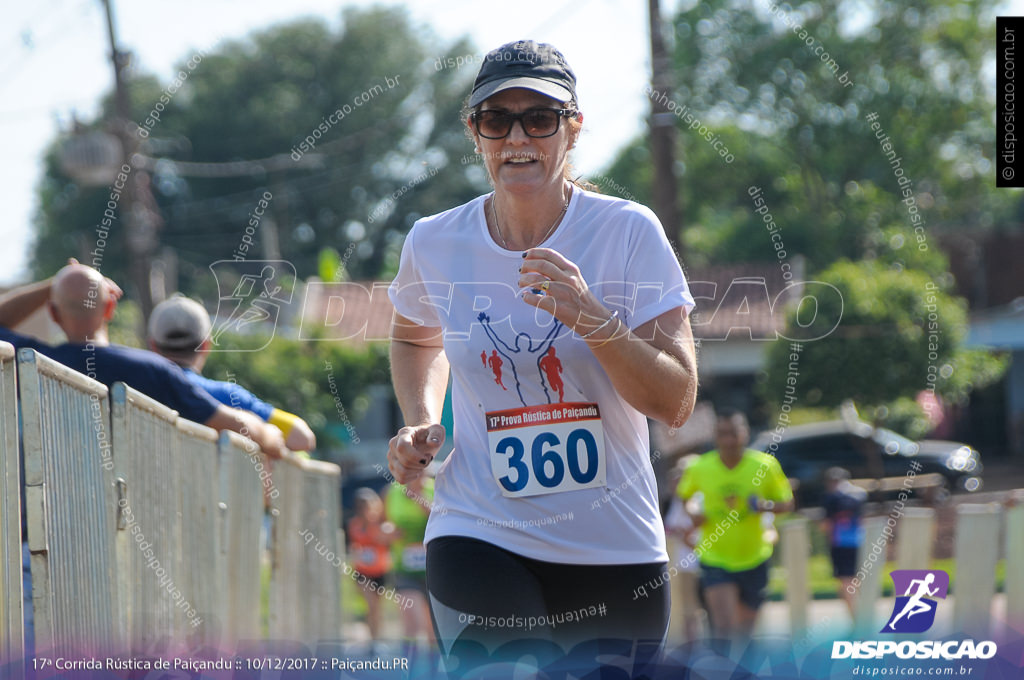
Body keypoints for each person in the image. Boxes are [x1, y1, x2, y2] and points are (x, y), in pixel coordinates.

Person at [386, 40, 698, 672]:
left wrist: (590, 315)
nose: (517, 137)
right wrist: (420, 418)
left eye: (540, 118)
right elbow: (416, 335)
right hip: (478, 528)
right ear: (475, 134)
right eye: (497, 120)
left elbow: (676, 401)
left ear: (573, 129)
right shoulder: (434, 241)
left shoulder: (628, 231)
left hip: (613, 552)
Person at [0, 263, 286, 457]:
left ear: (52, 312)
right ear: (110, 307)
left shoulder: (32, 362)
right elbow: (234, 424)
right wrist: (271, 435)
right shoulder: (153, 370)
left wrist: (61, 281)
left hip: (51, 532)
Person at [677, 411, 794, 641]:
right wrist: (693, 513)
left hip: (754, 556)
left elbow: (787, 503)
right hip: (715, 557)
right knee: (725, 629)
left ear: (745, 434)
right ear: (715, 437)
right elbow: (685, 496)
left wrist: (763, 506)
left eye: (734, 433)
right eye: (722, 434)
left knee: (746, 633)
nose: (729, 440)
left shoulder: (765, 465)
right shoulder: (700, 467)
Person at [147, 294, 317, 452]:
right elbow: (302, 438)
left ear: (153, 345)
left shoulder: (139, 384)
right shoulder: (227, 396)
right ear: (206, 345)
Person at [384, 476, 435, 649]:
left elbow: (442, 518)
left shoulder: (436, 488)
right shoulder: (392, 491)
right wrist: (388, 531)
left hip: (433, 569)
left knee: (433, 631)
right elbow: (381, 521)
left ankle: (433, 671)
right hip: (405, 569)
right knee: (412, 623)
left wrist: (419, 497)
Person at [347, 488, 393, 643]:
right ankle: (373, 641)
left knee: (377, 610)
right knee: (371, 605)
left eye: (369, 506)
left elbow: (384, 540)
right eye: (363, 507)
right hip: (363, 573)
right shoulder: (355, 525)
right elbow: (356, 544)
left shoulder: (382, 524)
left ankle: (377, 639)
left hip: (380, 572)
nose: (366, 510)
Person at [820, 466, 866, 616]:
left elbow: (826, 525)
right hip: (859, 541)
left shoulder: (831, 498)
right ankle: (863, 613)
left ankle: (855, 617)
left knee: (845, 580)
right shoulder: (859, 495)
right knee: (857, 579)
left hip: (840, 544)